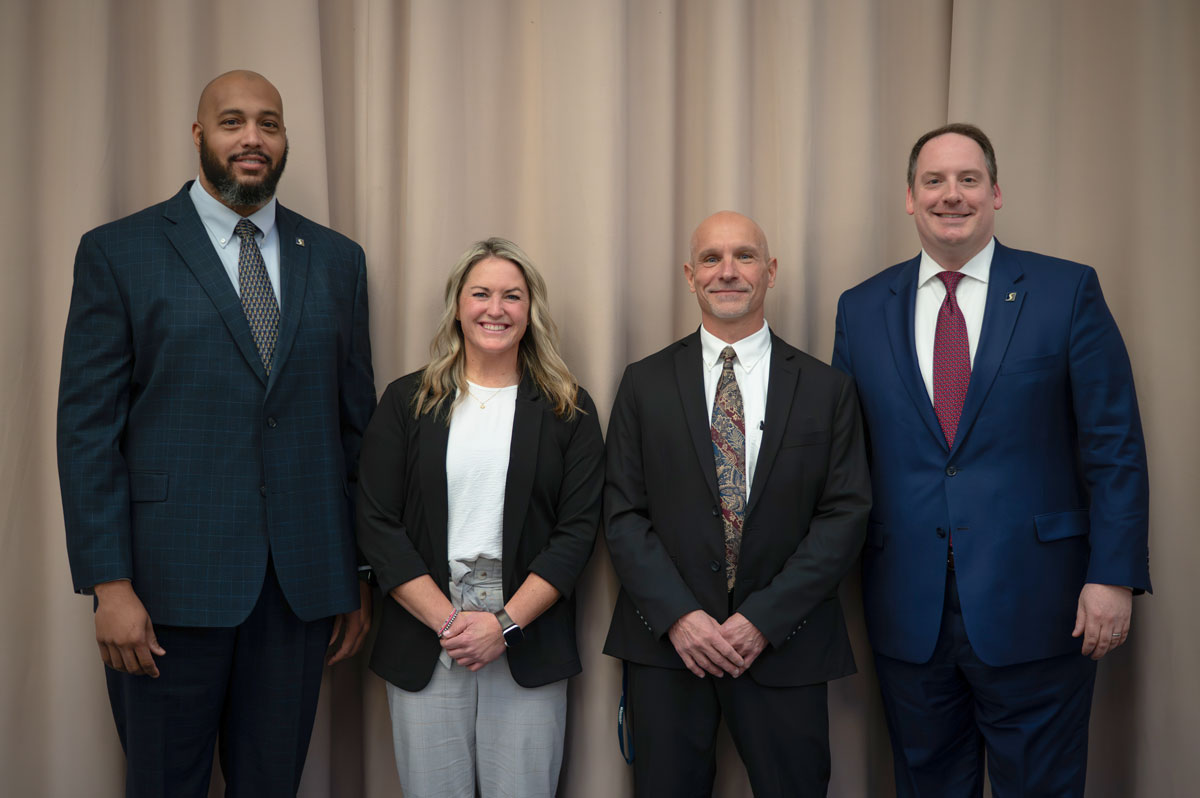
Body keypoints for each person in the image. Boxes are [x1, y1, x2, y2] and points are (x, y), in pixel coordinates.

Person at [56, 70, 376, 797]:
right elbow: (86, 430)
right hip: (164, 591)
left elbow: (354, 428)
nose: (253, 139)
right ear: (199, 136)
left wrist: (357, 576)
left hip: (301, 592)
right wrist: (110, 584)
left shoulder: (335, 259)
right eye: (232, 122)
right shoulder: (120, 252)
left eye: (269, 123)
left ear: (285, 139)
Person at [832, 123, 1151, 797]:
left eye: (969, 180)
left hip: (1043, 606)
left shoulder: (1067, 292)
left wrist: (1114, 575)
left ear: (996, 193)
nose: (953, 195)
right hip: (908, 614)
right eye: (935, 181)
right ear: (909, 199)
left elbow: (1113, 445)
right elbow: (845, 465)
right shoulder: (861, 310)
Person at [603, 211, 871, 797]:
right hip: (668, 648)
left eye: (745, 256)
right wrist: (680, 617)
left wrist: (762, 620)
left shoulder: (827, 389)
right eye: (711, 259)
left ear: (770, 271)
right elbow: (622, 514)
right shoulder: (643, 382)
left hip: (787, 643)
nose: (728, 271)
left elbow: (844, 515)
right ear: (689, 275)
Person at [356, 237, 604, 798]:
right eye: (482, 294)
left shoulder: (570, 410)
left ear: (530, 310)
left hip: (525, 642)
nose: (496, 309)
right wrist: (450, 624)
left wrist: (504, 625)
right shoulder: (407, 401)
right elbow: (377, 523)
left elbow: (577, 533)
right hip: (427, 639)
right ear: (458, 307)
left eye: (512, 296)